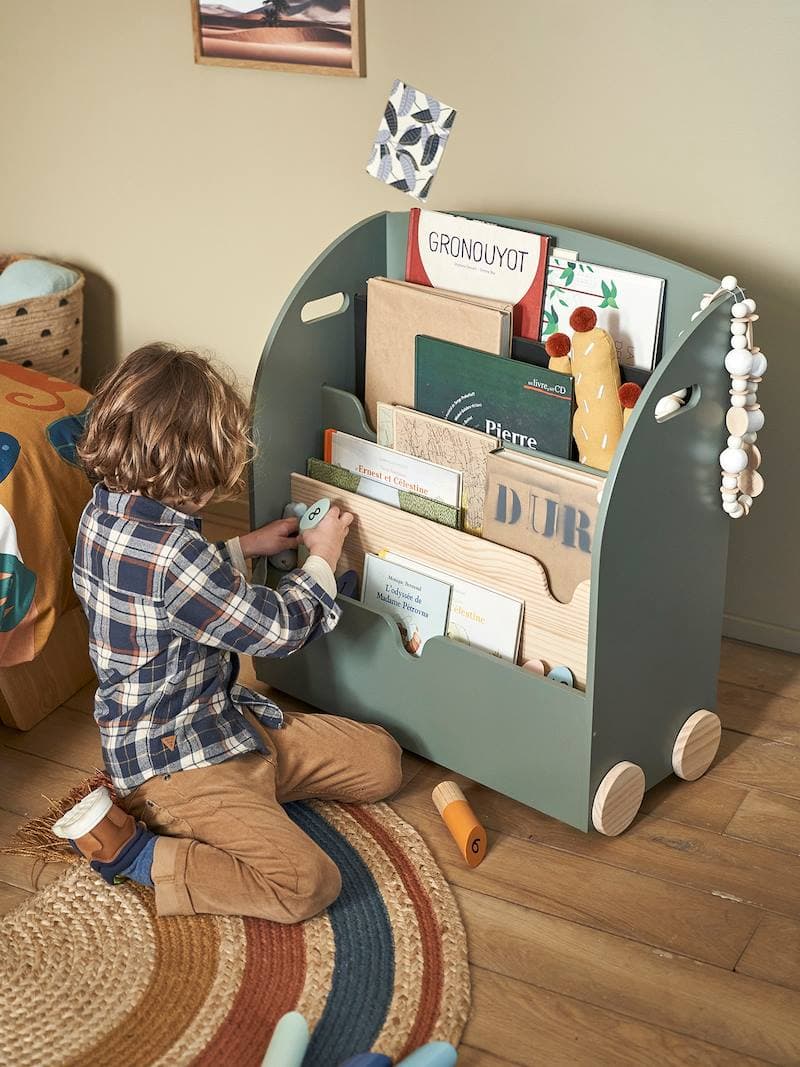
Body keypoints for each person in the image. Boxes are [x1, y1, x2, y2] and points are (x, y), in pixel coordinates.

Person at [57, 342, 402, 922]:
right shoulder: (175, 556)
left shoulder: (104, 513)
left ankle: (248, 802)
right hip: (172, 766)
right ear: (194, 478)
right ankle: (138, 854)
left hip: (221, 724)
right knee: (307, 883)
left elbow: (163, 590)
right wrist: (322, 560)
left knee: (382, 761)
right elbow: (278, 630)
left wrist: (243, 547)